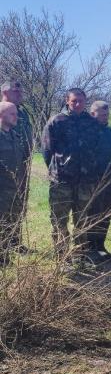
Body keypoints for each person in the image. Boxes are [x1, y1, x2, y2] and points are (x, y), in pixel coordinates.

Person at [42, 88, 103, 263]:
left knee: (82, 220)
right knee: (59, 221)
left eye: (81, 101)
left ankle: (80, 257)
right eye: (74, 101)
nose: (77, 104)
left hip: (85, 181)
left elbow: (97, 149)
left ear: (85, 102)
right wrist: (57, 169)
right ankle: (62, 259)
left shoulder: (91, 123)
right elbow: (47, 151)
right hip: (62, 181)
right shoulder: (56, 121)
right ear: (67, 101)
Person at [89, 101, 111, 261]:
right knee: (93, 214)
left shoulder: (109, 131)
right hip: (93, 181)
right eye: (102, 115)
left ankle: (101, 246)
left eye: (107, 115)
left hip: (110, 180)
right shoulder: (88, 131)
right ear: (93, 114)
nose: (106, 118)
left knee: (106, 214)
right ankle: (90, 249)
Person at [1, 80, 34, 253]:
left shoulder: (22, 114)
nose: (20, 94)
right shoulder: (2, 111)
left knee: (18, 203)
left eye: (21, 91)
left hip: (21, 165)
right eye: (16, 91)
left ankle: (14, 240)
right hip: (4, 168)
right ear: (5, 92)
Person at [0, 103, 25, 266]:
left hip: (13, 189)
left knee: (9, 223)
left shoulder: (15, 136)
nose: (16, 117)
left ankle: (4, 256)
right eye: (12, 114)